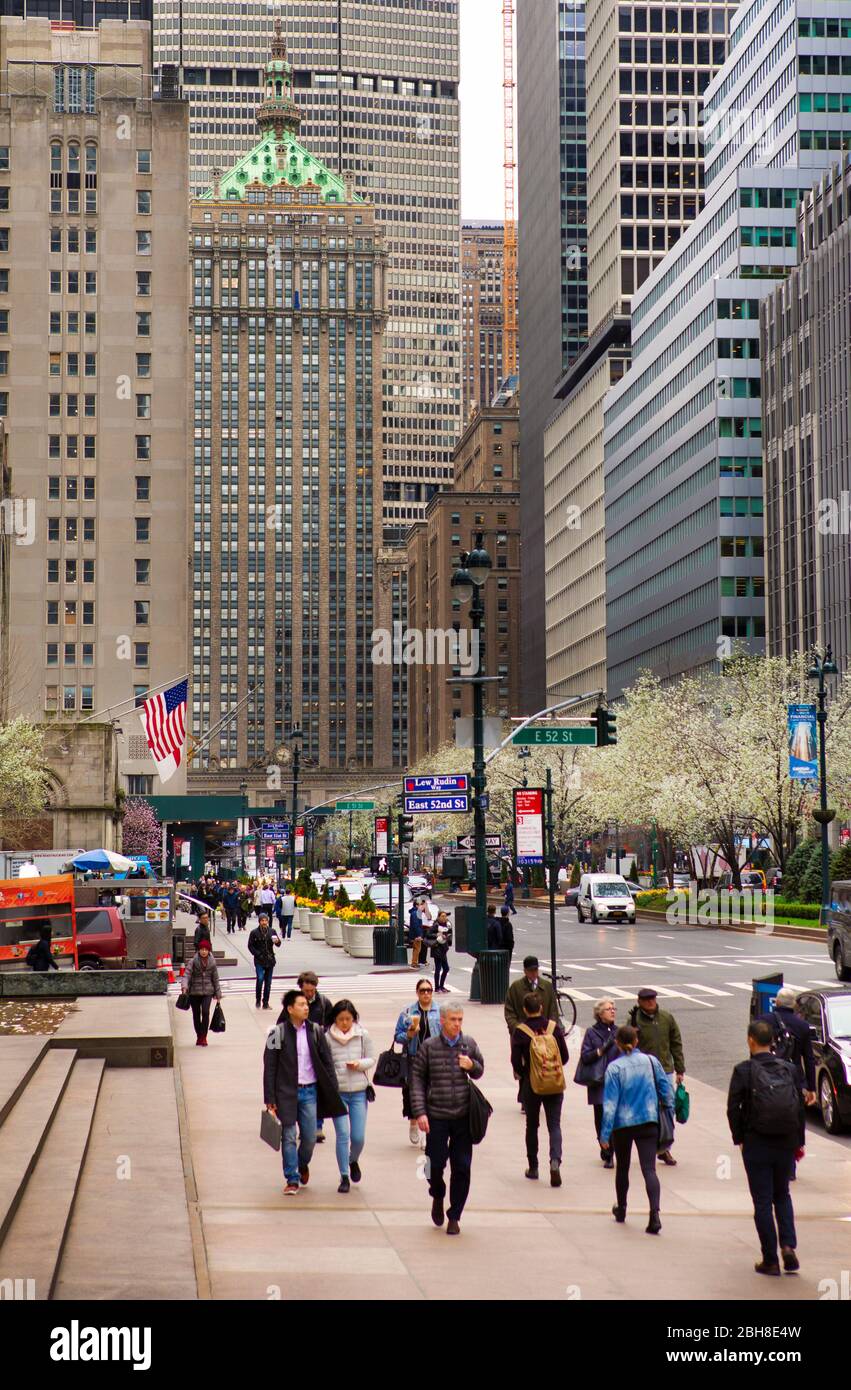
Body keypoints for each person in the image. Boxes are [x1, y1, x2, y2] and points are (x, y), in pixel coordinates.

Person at [727, 1018, 806, 1275]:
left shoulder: (743, 1070)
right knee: (782, 1194)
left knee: (762, 1200)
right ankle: (788, 1246)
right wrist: (799, 1142)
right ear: (772, 1041)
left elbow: (732, 1109)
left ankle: (770, 1259)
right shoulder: (790, 1069)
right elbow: (799, 1108)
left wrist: (739, 1137)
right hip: (786, 1141)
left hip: (756, 1142)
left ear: (750, 1040)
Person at [408, 1000, 485, 1236]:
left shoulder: (468, 1043)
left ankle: (455, 1215)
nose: (457, 1024)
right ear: (442, 1021)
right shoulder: (429, 1046)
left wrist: (472, 1065)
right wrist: (420, 1112)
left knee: (462, 1167)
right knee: (434, 1165)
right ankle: (437, 1193)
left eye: (460, 1019)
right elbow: (417, 1080)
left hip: (462, 1115)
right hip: (437, 1115)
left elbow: (480, 1070)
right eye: (453, 1020)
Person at [263, 989, 346, 1195]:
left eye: (306, 1004)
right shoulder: (276, 1033)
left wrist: (333, 1089)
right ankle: (292, 1178)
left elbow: (327, 1062)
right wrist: (270, 1098)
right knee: (289, 1136)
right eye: (301, 1004)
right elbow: (270, 1066)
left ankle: (302, 1163)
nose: (306, 1007)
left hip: (310, 1091)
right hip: (286, 1093)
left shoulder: (316, 1031)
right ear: (290, 1009)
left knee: (309, 1137)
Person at [600, 1024, 674, 1234]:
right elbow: (666, 1091)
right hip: (648, 1120)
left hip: (623, 1125)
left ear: (617, 1044)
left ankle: (622, 1208)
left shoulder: (614, 1068)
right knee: (649, 1169)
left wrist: (605, 1134)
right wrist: (669, 1111)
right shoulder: (651, 1061)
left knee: (622, 1167)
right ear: (636, 1041)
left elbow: (610, 1104)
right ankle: (654, 1214)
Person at [510, 991, 568, 1185]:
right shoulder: (553, 1027)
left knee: (532, 1126)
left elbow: (515, 1062)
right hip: (554, 1082)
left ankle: (533, 1166)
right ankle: (554, 1161)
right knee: (554, 1125)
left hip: (531, 1085)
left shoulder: (521, 1031)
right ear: (541, 1007)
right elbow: (565, 1057)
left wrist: (525, 1073)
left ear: (525, 1009)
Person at [627, 988, 685, 1165]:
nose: (651, 1002)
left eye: (652, 998)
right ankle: (652, 1145)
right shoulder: (634, 1020)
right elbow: (627, 1045)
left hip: (666, 1070)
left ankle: (665, 1147)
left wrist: (680, 1070)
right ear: (639, 1001)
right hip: (644, 1072)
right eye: (646, 1000)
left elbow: (676, 1043)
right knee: (649, 1111)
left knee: (668, 1109)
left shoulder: (666, 1018)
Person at [326, 999, 375, 1193]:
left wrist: (359, 1064)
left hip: (359, 1091)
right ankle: (344, 1175)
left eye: (348, 1019)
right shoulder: (327, 1037)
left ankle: (353, 1159)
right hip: (338, 1093)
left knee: (358, 1137)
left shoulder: (363, 1035)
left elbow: (372, 1058)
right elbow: (325, 1063)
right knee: (343, 1135)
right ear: (335, 1020)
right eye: (340, 1019)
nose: (344, 1023)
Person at [395, 979, 442, 1144]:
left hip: (434, 1058)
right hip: (413, 1058)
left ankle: (427, 1134)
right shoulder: (408, 1012)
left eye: (429, 990)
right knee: (411, 1094)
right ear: (417, 993)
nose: (426, 993)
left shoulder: (440, 1011)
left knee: (432, 1095)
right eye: (422, 991)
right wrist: (409, 1034)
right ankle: (413, 1123)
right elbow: (397, 1037)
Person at [579, 998, 619, 1166]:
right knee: (601, 1116)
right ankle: (606, 1150)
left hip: (616, 1081)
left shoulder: (619, 1031)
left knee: (615, 1117)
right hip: (599, 1081)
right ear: (599, 1014)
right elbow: (585, 1057)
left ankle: (611, 1149)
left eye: (614, 1008)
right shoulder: (591, 1032)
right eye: (609, 1009)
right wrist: (601, 1050)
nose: (613, 1011)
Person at [761, 987, 817, 1099]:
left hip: (766, 1076)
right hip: (794, 1079)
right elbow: (809, 1058)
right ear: (794, 1004)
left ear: (776, 1002)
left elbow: (756, 1052)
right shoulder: (802, 1026)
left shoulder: (763, 1021)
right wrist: (811, 1088)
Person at [181, 938, 222, 1046]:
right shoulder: (193, 961)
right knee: (196, 1014)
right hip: (194, 992)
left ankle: (204, 1036)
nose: (204, 951)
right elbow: (186, 975)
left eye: (206, 949)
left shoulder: (212, 962)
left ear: (209, 951)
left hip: (208, 991)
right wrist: (184, 987)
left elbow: (215, 979)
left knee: (205, 1012)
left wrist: (218, 994)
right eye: (202, 949)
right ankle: (199, 1035)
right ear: (198, 950)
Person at [504, 956, 559, 1034]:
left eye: (535, 970)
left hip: (544, 1035)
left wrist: (549, 1029)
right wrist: (518, 1029)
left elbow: (553, 1011)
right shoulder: (515, 987)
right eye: (530, 970)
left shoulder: (547, 987)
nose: (533, 972)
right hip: (522, 1036)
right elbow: (509, 1013)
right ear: (525, 971)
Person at [247, 912, 281, 1010]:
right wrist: (257, 954)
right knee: (260, 978)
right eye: (262, 920)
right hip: (259, 960)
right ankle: (258, 999)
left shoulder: (272, 931)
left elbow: (278, 944)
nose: (264, 922)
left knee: (268, 982)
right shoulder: (254, 932)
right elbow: (250, 946)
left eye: (266, 920)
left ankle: (265, 1002)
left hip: (270, 960)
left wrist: (277, 941)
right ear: (259, 921)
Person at [425, 909, 453, 993]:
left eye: (445, 916)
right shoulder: (436, 925)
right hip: (437, 948)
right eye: (442, 916)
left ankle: (441, 986)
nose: (444, 918)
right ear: (439, 917)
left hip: (443, 948)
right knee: (438, 968)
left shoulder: (447, 925)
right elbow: (428, 934)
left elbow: (449, 934)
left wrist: (447, 937)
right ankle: (437, 987)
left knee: (446, 968)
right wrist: (436, 934)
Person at [408, 898, 427, 968]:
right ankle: (414, 963)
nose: (422, 906)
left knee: (416, 948)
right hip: (416, 935)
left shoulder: (415, 912)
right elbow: (416, 925)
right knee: (417, 949)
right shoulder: (416, 913)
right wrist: (419, 935)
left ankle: (414, 962)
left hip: (414, 934)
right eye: (421, 905)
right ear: (416, 905)